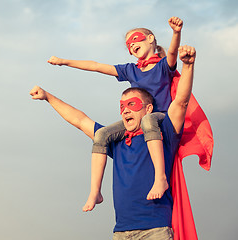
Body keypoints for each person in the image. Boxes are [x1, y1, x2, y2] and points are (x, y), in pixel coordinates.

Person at [30, 45, 196, 239]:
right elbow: (80, 120)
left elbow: (181, 102)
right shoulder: (116, 142)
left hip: (155, 230)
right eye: (122, 106)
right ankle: (95, 193)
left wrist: (188, 66)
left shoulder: (164, 135)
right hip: (121, 232)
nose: (125, 110)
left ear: (149, 108)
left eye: (132, 105)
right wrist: (48, 97)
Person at [47, 17, 183, 211]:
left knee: (148, 121)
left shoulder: (163, 66)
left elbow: (172, 53)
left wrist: (176, 33)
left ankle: (160, 177)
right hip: (140, 120)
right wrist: (64, 62)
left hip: (160, 117)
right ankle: (95, 192)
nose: (132, 44)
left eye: (136, 39)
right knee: (101, 135)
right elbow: (96, 66)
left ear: (151, 38)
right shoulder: (131, 70)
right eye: (128, 44)